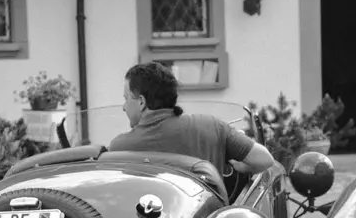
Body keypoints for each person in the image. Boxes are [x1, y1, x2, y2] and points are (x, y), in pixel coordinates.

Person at [109, 62, 274, 175]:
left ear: (141, 102)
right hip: (209, 216)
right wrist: (240, 167)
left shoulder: (119, 148)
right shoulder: (211, 127)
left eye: (126, 99)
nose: (124, 107)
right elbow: (264, 160)